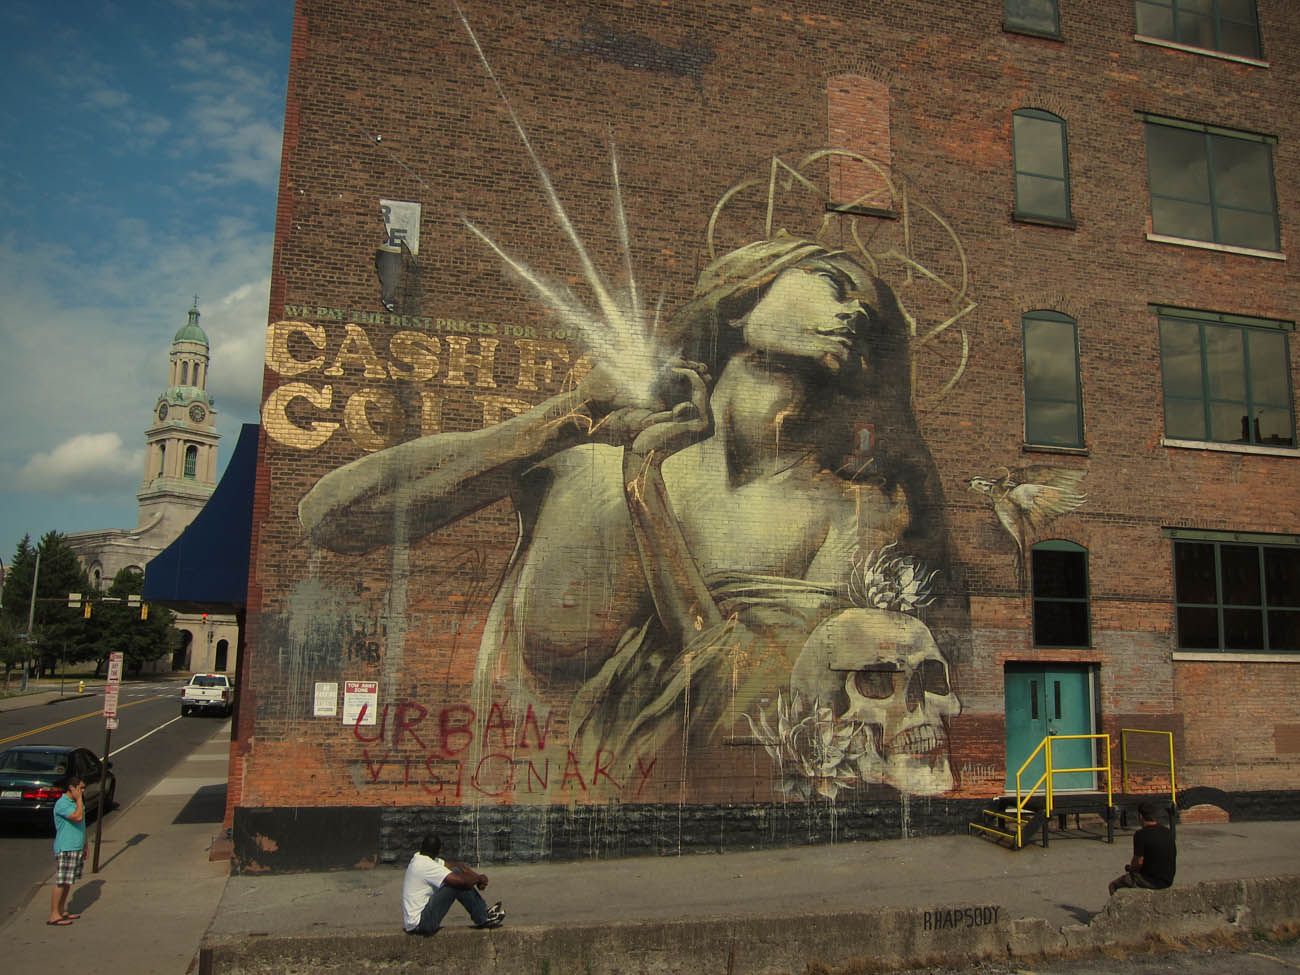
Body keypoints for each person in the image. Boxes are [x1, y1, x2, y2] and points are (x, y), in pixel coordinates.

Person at [300, 234, 958, 787]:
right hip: (518, 822)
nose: (855, 310)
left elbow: (760, 707)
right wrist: (563, 418)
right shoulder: (585, 455)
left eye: (868, 312)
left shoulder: (853, 516)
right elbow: (331, 516)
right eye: (831, 282)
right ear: (738, 297)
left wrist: (645, 483)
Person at [401, 834, 504, 935]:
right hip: (421, 924)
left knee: (456, 873)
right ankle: (483, 917)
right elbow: (460, 881)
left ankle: (483, 914)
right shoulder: (425, 865)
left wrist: (477, 876)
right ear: (437, 851)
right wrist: (478, 879)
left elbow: (457, 867)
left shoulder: (419, 858)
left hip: (419, 922)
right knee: (457, 882)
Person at [1109, 801, 1177, 895]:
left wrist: (1131, 870)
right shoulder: (1167, 832)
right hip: (1168, 879)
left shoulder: (1140, 835)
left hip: (1152, 881)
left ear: (1140, 816)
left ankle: (1117, 908)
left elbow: (1138, 862)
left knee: (1113, 886)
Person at [48, 773, 86, 926]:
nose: (83, 791)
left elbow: (81, 825)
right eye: (81, 788)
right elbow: (77, 818)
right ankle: (54, 914)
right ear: (72, 788)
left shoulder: (77, 802)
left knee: (69, 881)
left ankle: (62, 910)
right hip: (66, 846)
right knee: (62, 881)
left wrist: (84, 845)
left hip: (76, 846)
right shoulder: (62, 803)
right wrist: (78, 800)